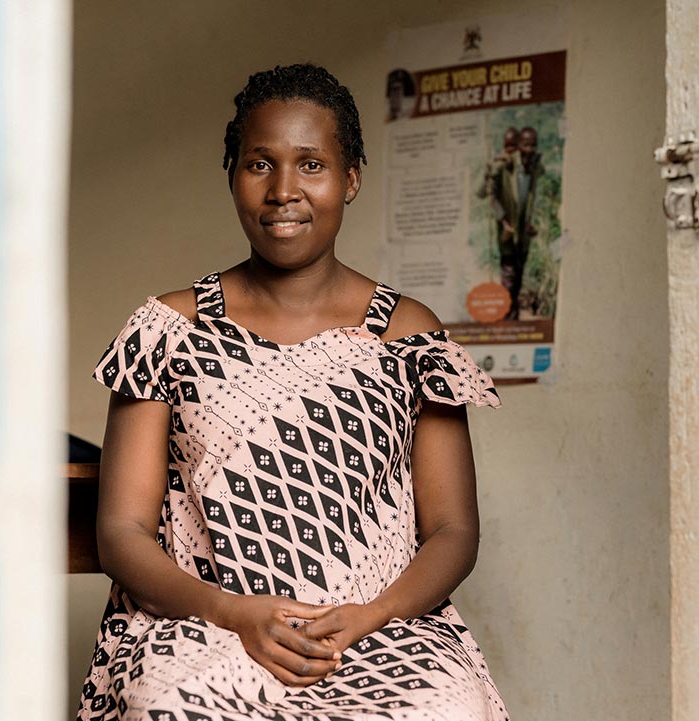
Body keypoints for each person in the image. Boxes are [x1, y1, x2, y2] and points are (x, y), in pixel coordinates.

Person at [77, 64, 509, 721]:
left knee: (451, 709)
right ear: (233, 176)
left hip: (376, 631)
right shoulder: (172, 329)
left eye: (311, 164)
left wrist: (371, 615)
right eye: (259, 164)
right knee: (163, 706)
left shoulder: (408, 333)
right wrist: (232, 611)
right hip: (211, 622)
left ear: (351, 178)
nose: (284, 190)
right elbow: (121, 531)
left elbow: (452, 530)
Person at [477, 126, 543, 319]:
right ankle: (507, 316)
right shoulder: (503, 166)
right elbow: (485, 193)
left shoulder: (533, 167)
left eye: (532, 145)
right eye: (524, 145)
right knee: (508, 274)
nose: (528, 150)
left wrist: (533, 221)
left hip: (522, 232)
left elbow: (534, 198)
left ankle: (512, 315)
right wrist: (503, 218)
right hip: (506, 231)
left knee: (519, 273)